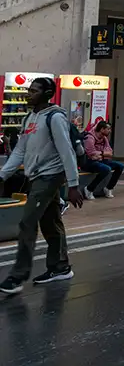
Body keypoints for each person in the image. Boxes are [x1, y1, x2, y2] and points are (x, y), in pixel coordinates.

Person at [0, 77, 84, 294]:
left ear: (48, 94)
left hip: (50, 176)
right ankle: (60, 267)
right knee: (50, 221)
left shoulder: (55, 118)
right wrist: (2, 175)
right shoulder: (30, 118)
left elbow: (66, 151)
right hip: (37, 176)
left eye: (34, 91)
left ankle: (18, 276)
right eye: (29, 90)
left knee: (27, 222)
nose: (29, 93)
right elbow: (20, 150)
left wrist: (74, 185)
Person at [81, 120, 124, 200]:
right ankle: (89, 189)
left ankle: (109, 188)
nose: (110, 131)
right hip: (88, 162)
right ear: (102, 129)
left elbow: (110, 152)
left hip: (100, 160)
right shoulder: (89, 138)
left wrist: (101, 154)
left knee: (120, 166)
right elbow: (91, 153)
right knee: (106, 169)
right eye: (108, 129)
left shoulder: (104, 138)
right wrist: (104, 154)